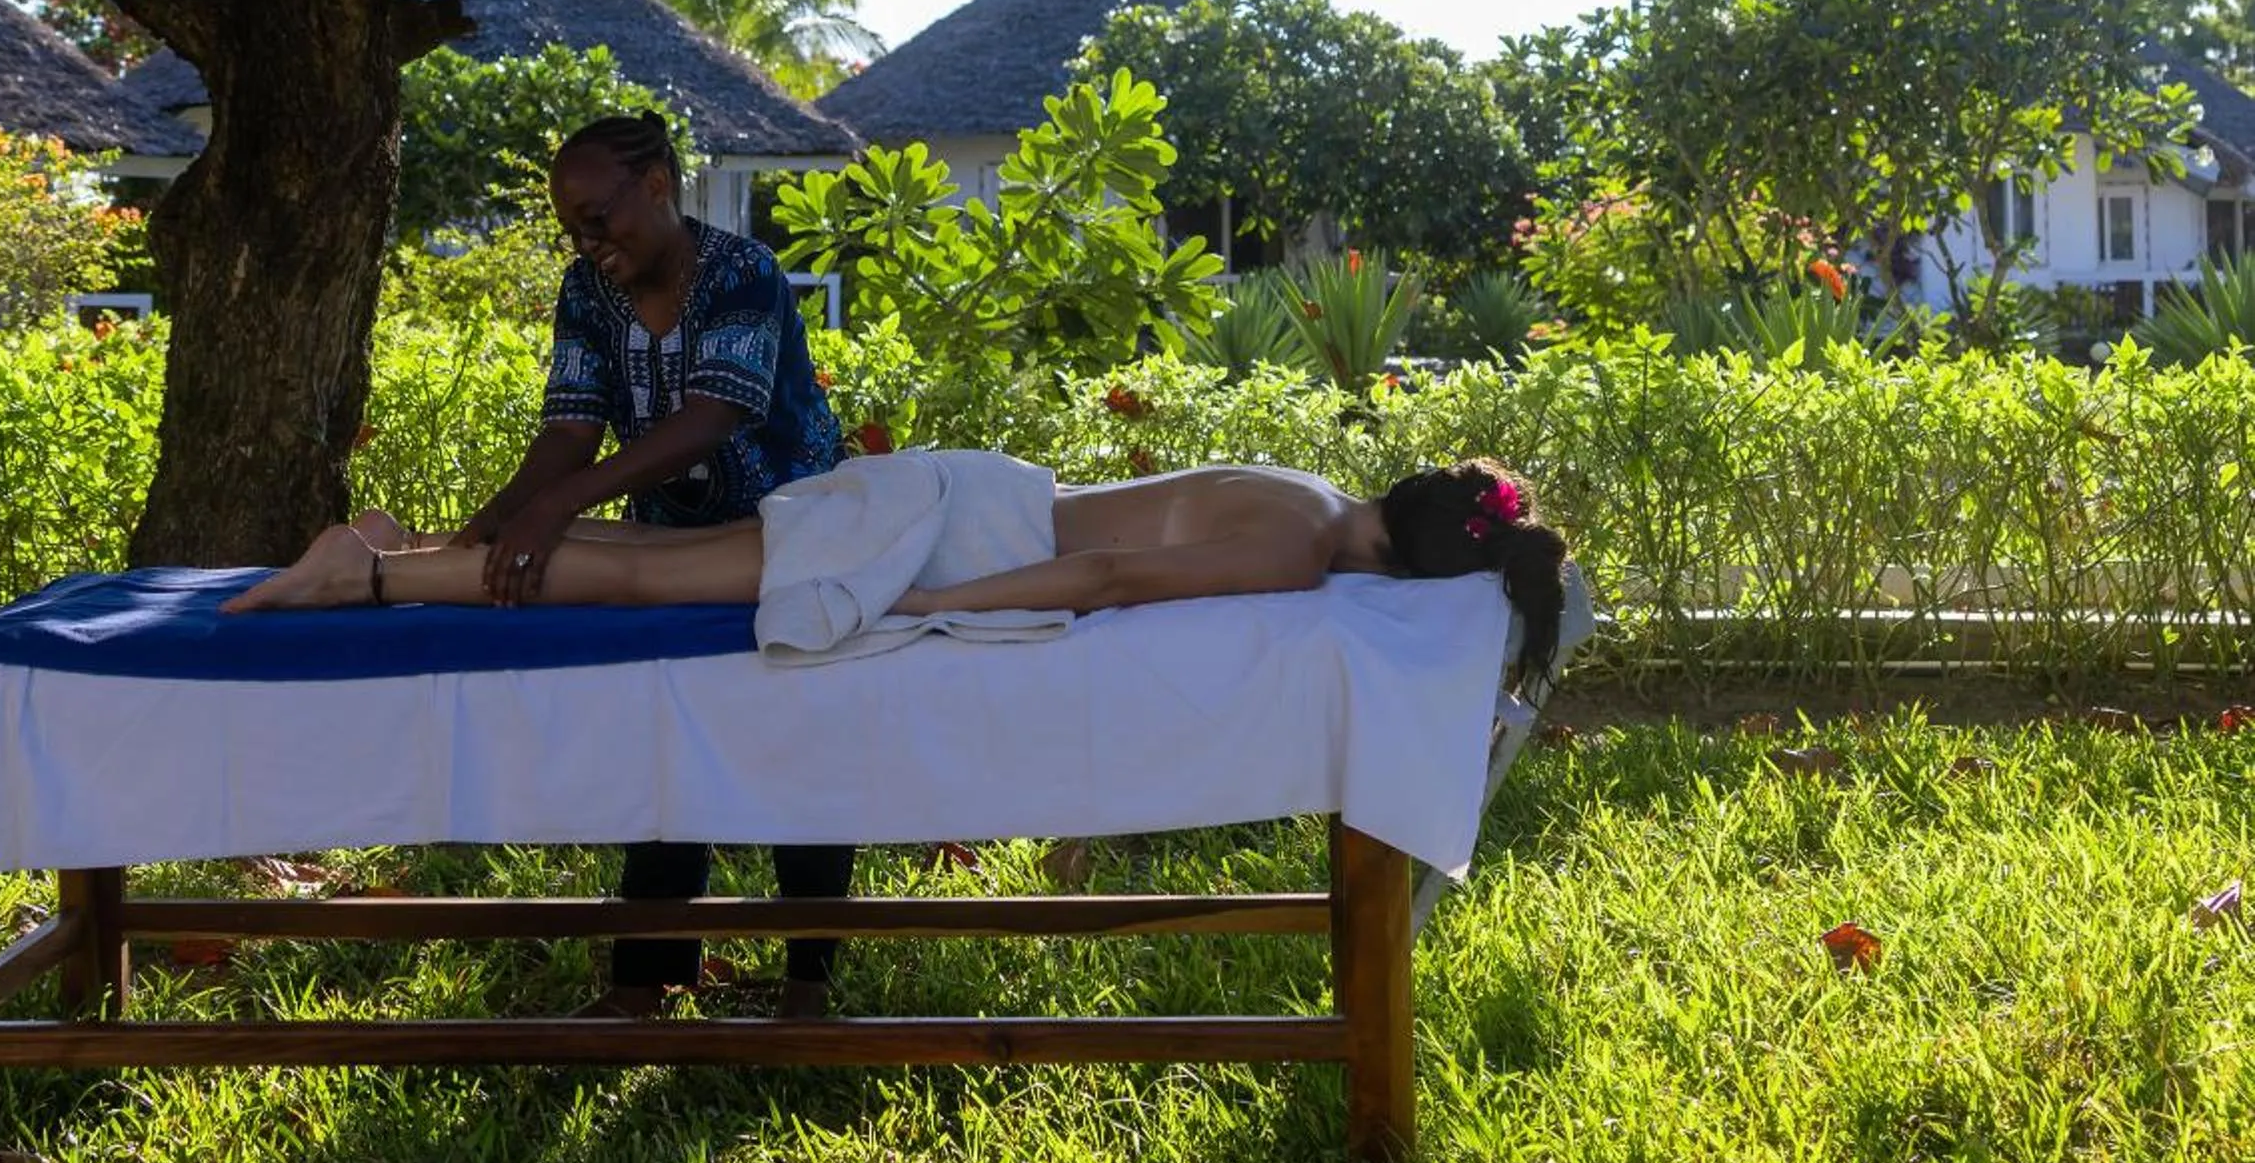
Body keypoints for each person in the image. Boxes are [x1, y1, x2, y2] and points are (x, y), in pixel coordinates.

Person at [445, 110, 852, 1018]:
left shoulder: (742, 274)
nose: (586, 240)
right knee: (667, 751)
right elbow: (569, 428)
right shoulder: (588, 289)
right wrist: (485, 528)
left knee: (799, 753)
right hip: (668, 554)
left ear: (659, 186)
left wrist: (563, 506)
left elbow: (711, 418)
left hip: (792, 542)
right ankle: (644, 985)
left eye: (597, 216)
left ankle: (807, 991)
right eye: (570, 225)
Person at [225, 457, 1570, 689]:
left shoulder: (1303, 492)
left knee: (654, 555)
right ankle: (372, 577)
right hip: (958, 536)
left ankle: (404, 548)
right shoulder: (1290, 550)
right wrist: (928, 605)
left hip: (964, 495)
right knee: (652, 584)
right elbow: (1094, 574)